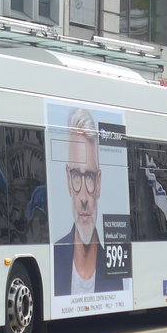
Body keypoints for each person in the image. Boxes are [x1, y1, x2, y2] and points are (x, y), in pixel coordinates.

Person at [53, 107, 124, 296]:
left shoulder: (116, 276)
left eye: (90, 178)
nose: (83, 197)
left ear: (99, 183)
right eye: (77, 176)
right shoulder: (53, 260)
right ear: (68, 180)